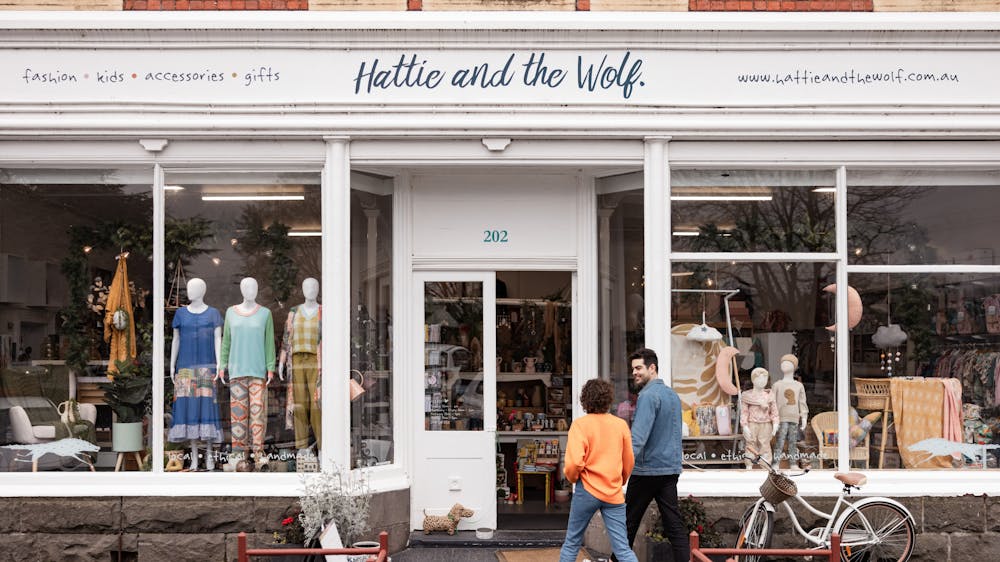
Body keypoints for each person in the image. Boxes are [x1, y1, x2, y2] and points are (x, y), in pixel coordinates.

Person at [618, 347, 688, 562]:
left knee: (627, 523)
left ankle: (616, 559)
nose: (635, 373)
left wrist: (621, 468)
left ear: (652, 367)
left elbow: (638, 438)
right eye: (633, 369)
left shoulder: (648, 396)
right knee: (673, 524)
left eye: (638, 368)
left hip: (647, 470)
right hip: (669, 469)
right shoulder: (672, 395)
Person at [559, 378, 638, 562]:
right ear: (608, 399)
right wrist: (620, 480)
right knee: (623, 549)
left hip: (586, 490)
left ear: (585, 400)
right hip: (613, 492)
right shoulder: (620, 425)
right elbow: (629, 461)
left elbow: (573, 464)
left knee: (572, 543)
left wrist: (572, 478)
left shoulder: (580, 425)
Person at [218, 277, 276, 472]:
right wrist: (222, 365)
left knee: (258, 415)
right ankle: (239, 456)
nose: (250, 290)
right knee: (238, 415)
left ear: (258, 289)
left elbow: (269, 343)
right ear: (241, 289)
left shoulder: (265, 314)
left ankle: (259, 455)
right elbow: (226, 342)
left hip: (258, 371)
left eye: (254, 286)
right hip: (237, 371)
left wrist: (270, 367)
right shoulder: (230, 313)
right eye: (246, 287)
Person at [168, 278, 224, 470]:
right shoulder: (181, 314)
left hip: (206, 369)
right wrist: (171, 365)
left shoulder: (213, 314)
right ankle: (193, 458)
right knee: (188, 411)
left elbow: (219, 339)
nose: (189, 291)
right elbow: (175, 340)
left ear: (203, 290)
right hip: (184, 369)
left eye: (194, 288)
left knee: (206, 409)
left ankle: (208, 456)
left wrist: (220, 364)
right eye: (189, 287)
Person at [279, 278, 323, 462]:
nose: (310, 290)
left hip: (317, 361)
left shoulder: (324, 311)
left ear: (318, 289)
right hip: (296, 360)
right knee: (299, 404)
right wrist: (281, 363)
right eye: (306, 287)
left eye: (313, 287)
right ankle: (302, 447)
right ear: (302, 289)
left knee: (317, 404)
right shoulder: (293, 312)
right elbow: (286, 339)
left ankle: (323, 446)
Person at [771, 354, 808, 469]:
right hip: (781, 418)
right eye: (783, 362)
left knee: (793, 441)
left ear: (794, 366)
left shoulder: (798, 386)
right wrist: (773, 420)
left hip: (794, 418)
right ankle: (776, 463)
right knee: (780, 441)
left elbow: (802, 402)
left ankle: (793, 463)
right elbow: (772, 403)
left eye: (788, 363)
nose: (784, 364)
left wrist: (804, 417)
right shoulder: (777, 385)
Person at [741, 367, 779, 469]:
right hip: (752, 423)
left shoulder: (769, 396)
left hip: (766, 424)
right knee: (750, 443)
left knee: (765, 445)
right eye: (759, 379)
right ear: (753, 379)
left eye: (764, 379)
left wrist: (775, 424)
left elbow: (774, 412)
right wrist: (744, 426)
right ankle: (749, 465)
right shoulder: (747, 396)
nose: (762, 381)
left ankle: (765, 466)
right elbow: (744, 413)